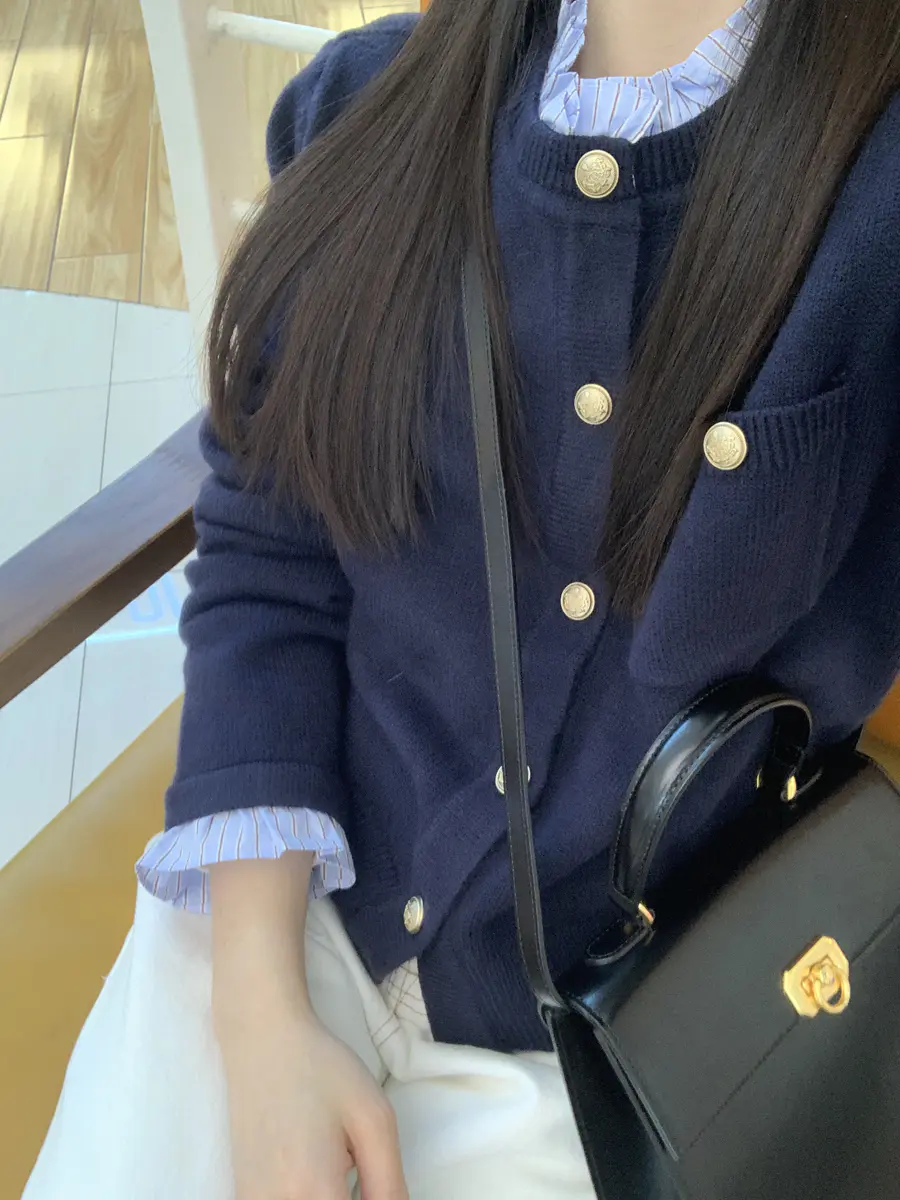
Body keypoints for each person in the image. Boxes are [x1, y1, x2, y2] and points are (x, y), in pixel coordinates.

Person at [23, 0, 900, 1197]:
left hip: (630, 1060)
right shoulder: (364, 109)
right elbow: (270, 547)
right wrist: (258, 1008)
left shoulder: (873, 195)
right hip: (274, 909)